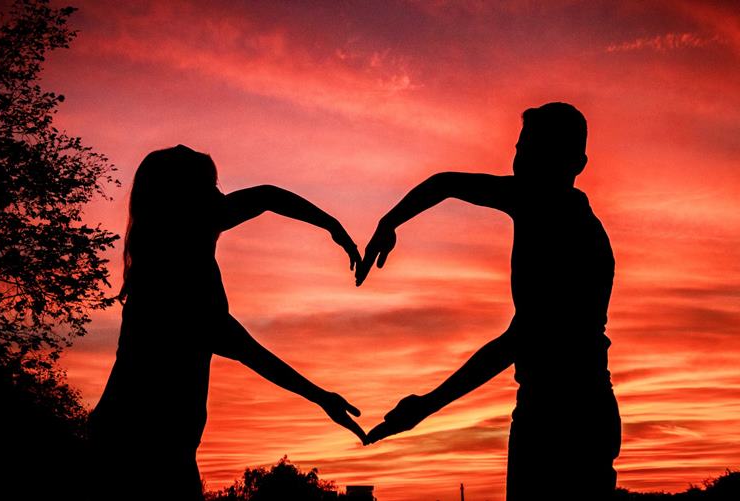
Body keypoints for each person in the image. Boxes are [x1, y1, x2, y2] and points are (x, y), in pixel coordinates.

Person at [358, 103, 621, 500]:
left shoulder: (572, 233)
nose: (521, 164)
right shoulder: (535, 205)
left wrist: (428, 405)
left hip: (571, 417)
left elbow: (518, 341)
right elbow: (445, 183)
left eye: (536, 153)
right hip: (547, 407)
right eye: (520, 151)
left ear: (575, 165)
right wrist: (389, 221)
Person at [88, 145, 366, 500]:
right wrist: (321, 397)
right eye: (210, 187)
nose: (222, 196)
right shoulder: (173, 286)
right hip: (139, 452)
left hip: (152, 446)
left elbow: (266, 196)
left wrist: (331, 225)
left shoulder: (165, 267)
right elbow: (246, 348)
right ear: (184, 204)